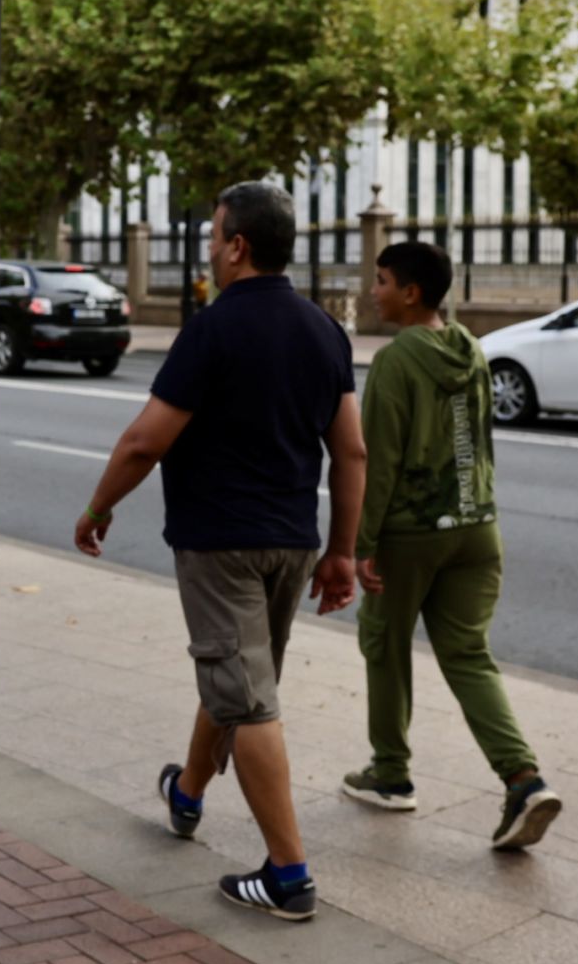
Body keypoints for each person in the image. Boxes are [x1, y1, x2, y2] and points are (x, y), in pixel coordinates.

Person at [74, 180, 366, 922]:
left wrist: (99, 507)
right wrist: (341, 552)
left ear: (237, 246)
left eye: (212, 236)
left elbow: (144, 441)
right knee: (239, 677)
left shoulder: (213, 330)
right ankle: (187, 792)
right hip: (293, 543)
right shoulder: (325, 331)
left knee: (249, 698)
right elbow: (352, 452)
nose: (208, 247)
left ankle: (289, 875)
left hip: (220, 542)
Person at [339, 242, 561, 850]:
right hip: (477, 526)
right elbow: (481, 441)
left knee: (384, 643)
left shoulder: (395, 361)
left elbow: (378, 459)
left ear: (411, 293)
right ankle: (523, 779)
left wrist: (362, 543)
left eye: (382, 281)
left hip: (411, 532)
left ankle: (390, 774)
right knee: (467, 655)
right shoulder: (470, 349)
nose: (373, 291)